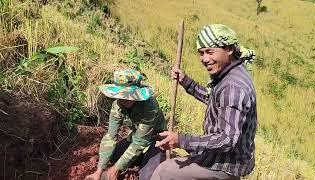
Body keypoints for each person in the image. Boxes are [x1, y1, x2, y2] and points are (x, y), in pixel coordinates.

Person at [151, 24, 257, 180]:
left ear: (229, 49)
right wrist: (187, 82)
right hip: (231, 158)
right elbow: (215, 101)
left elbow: (226, 139)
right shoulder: (232, 73)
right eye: (201, 53)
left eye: (210, 52)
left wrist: (181, 140)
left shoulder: (232, 87)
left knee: (164, 171)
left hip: (226, 163)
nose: (205, 59)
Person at [85, 69, 167, 180]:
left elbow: (140, 142)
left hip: (156, 140)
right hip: (136, 137)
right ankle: (139, 158)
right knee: (113, 155)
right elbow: (110, 136)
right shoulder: (117, 106)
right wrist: (99, 172)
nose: (124, 99)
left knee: (147, 176)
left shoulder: (149, 106)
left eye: (128, 96)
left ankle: (149, 160)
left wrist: (117, 168)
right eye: (121, 96)